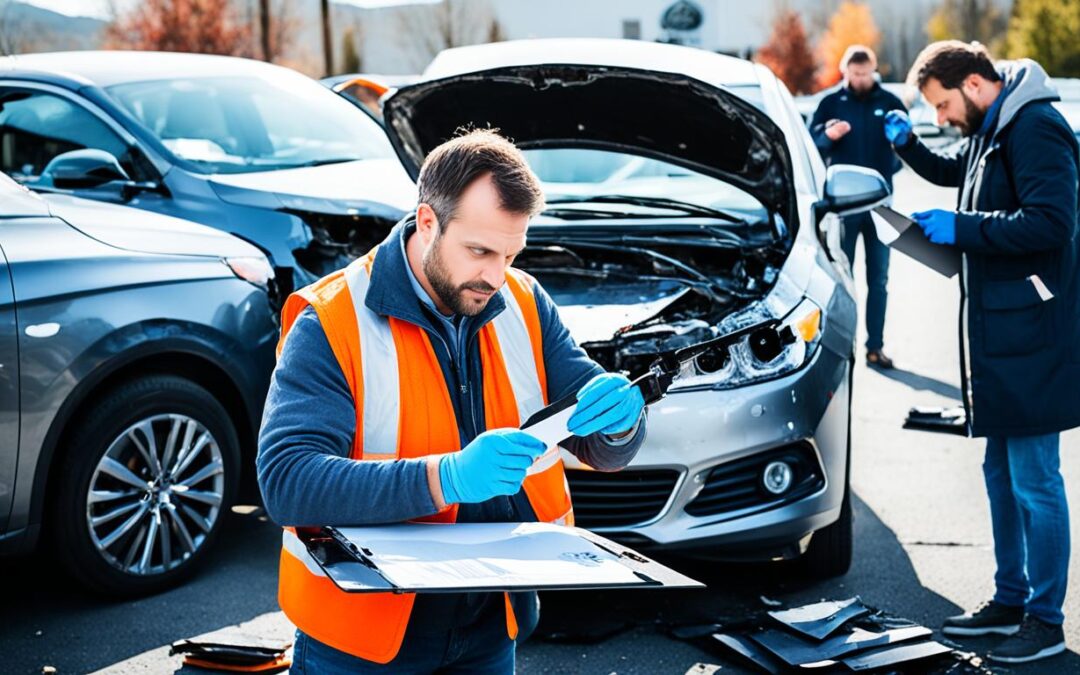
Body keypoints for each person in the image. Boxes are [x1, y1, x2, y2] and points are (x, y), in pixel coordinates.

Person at [257, 129, 647, 673]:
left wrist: (621, 427)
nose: (496, 275)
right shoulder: (330, 320)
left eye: (511, 253)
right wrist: (447, 478)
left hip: (489, 626)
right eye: (480, 250)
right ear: (426, 222)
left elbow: (597, 443)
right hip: (363, 639)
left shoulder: (525, 301)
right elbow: (288, 482)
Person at [885, 41, 1080, 664]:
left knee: (1035, 482)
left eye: (942, 105)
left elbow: (1053, 221)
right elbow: (957, 175)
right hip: (1002, 337)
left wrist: (963, 229)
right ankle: (1009, 600)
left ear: (973, 84)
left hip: (1035, 336)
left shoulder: (1036, 126)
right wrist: (908, 148)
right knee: (1000, 474)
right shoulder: (994, 125)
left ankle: (1044, 623)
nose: (941, 118)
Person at [810, 45, 907, 368]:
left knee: (879, 279)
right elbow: (811, 146)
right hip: (843, 207)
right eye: (855, 74)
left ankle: (875, 347)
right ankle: (841, 347)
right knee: (842, 278)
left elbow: (906, 149)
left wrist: (892, 162)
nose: (861, 79)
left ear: (874, 70)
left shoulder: (890, 102)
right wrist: (829, 135)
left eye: (865, 74)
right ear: (844, 71)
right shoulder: (830, 103)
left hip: (883, 204)